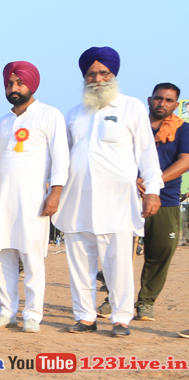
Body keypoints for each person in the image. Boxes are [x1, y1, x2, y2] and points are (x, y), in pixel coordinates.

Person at [54, 47, 162, 336]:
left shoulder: (131, 107)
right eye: (91, 74)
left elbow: (147, 153)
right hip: (77, 200)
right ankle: (85, 317)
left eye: (104, 73)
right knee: (80, 264)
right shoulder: (74, 113)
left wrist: (153, 190)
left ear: (113, 75)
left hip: (118, 202)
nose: (98, 79)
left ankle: (121, 318)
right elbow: (63, 158)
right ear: (84, 77)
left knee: (118, 265)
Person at [0, 61, 68, 333]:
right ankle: (6, 312)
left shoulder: (49, 114)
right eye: (10, 83)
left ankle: (32, 314)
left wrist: (55, 192)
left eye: (19, 83)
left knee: (32, 256)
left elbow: (61, 156)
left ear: (32, 84)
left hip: (33, 199)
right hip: (0, 199)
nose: (14, 88)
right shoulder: (3, 121)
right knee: (0, 256)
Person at [133, 82, 189, 322]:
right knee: (120, 253)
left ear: (176, 105)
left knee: (160, 252)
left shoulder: (183, 130)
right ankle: (113, 300)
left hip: (165, 199)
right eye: (158, 98)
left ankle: (146, 301)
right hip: (129, 196)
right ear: (149, 100)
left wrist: (152, 182)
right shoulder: (134, 126)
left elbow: (185, 161)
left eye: (168, 100)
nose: (162, 103)